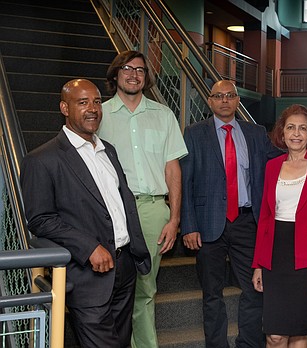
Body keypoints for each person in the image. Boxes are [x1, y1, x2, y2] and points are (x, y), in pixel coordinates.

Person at [20, 79, 151, 347]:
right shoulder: (42, 159)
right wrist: (89, 247)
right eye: (82, 102)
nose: (92, 108)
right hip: (87, 275)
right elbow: (40, 219)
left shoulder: (108, 151)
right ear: (64, 108)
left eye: (97, 102)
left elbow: (119, 203)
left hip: (124, 268)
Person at [180, 80, 282, 348]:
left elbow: (280, 160)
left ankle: (248, 344)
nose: (224, 100)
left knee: (254, 289)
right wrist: (188, 225)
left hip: (247, 222)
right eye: (218, 96)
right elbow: (186, 181)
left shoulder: (256, 133)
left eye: (230, 96)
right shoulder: (193, 133)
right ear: (210, 101)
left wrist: (306, 153)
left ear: (238, 101)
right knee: (212, 294)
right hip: (207, 224)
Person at [97, 50, 188, 348]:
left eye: (140, 70)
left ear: (146, 78)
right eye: (127, 68)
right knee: (110, 289)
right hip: (111, 211)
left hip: (152, 211)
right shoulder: (98, 115)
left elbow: (172, 169)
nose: (134, 74)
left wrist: (174, 219)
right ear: (115, 75)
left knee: (146, 289)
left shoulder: (163, 115)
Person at [251, 104, 307, 348]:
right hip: (275, 256)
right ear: (282, 132)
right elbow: (265, 218)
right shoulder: (271, 166)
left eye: (302, 128)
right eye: (291, 127)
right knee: (275, 336)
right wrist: (258, 264)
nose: (296, 133)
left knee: (300, 333)